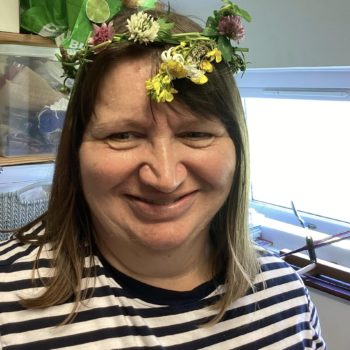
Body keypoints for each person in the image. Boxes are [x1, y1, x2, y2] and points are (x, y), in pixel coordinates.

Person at [0, 2, 326, 349]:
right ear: (75, 150)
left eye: (196, 134)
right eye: (123, 136)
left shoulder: (287, 298)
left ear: (237, 147)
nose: (165, 178)